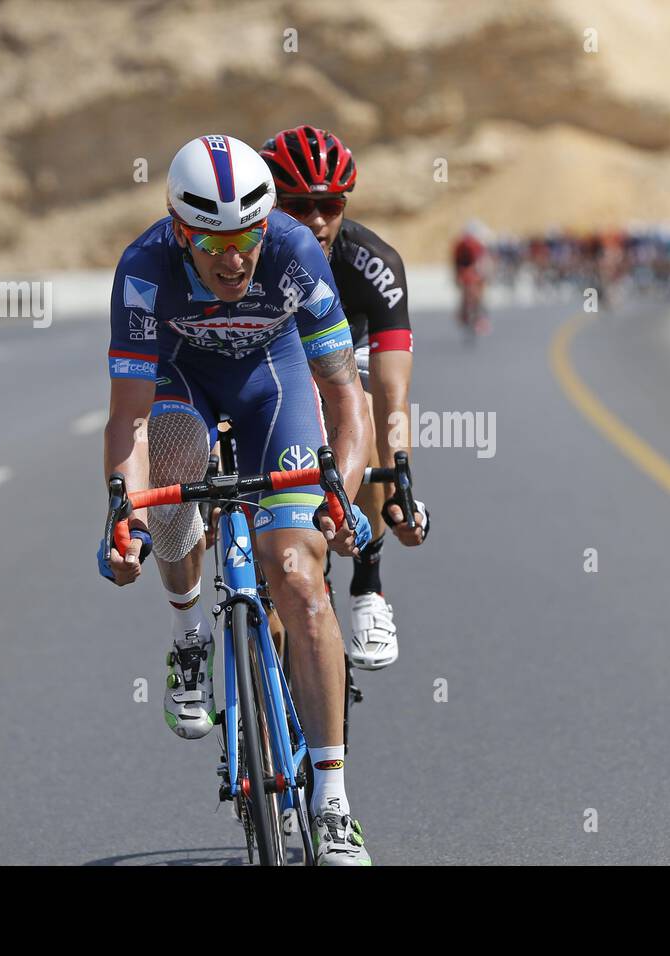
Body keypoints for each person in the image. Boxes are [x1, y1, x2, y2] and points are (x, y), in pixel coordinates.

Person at [99, 134, 373, 865]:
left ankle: (335, 803)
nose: (234, 258)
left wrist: (340, 497)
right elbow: (127, 419)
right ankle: (189, 637)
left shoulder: (293, 252)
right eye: (212, 242)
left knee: (301, 581)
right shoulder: (144, 270)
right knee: (176, 465)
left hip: (269, 385)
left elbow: (348, 402)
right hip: (179, 384)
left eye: (246, 236)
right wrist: (123, 515)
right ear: (179, 233)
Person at [260, 125, 430, 671]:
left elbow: (391, 388)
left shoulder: (372, 262)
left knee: (365, 411)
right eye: (298, 205)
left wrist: (401, 472)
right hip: (267, 363)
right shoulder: (244, 256)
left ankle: (369, 588)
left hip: (344, 362)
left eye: (329, 205)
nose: (315, 219)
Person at [453, 220, 489, 336]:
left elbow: (455, 262)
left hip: (465, 271)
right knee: (477, 295)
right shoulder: (476, 243)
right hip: (471, 271)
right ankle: (478, 317)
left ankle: (463, 314)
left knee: (466, 294)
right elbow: (481, 261)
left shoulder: (460, 243)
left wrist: (456, 276)